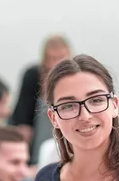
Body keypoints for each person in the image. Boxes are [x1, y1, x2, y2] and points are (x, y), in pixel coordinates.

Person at [8, 34, 72, 162]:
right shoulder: (33, 76)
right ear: (45, 59)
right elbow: (22, 120)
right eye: (52, 58)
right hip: (37, 144)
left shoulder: (74, 77)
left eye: (61, 58)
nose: (57, 63)